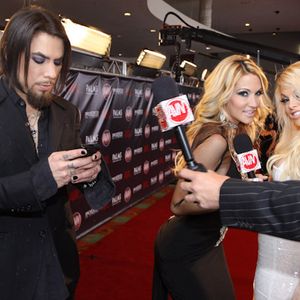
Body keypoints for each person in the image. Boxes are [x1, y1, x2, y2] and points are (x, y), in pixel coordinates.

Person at [0, 6, 115, 300]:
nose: (51, 73)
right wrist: (41, 179)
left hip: (57, 267)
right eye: (39, 60)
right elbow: (42, 178)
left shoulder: (67, 112)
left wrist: (89, 173)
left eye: (57, 62)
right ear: (12, 55)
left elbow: (73, 174)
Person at [152, 54, 272, 300]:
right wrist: (232, 196)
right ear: (224, 94)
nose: (254, 102)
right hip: (185, 247)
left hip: (211, 242)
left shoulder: (238, 133)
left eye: (258, 93)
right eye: (243, 93)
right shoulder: (216, 140)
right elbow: (177, 204)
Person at [253, 62, 300, 299]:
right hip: (271, 260)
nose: (291, 105)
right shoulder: (290, 140)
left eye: (298, 95)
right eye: (285, 99)